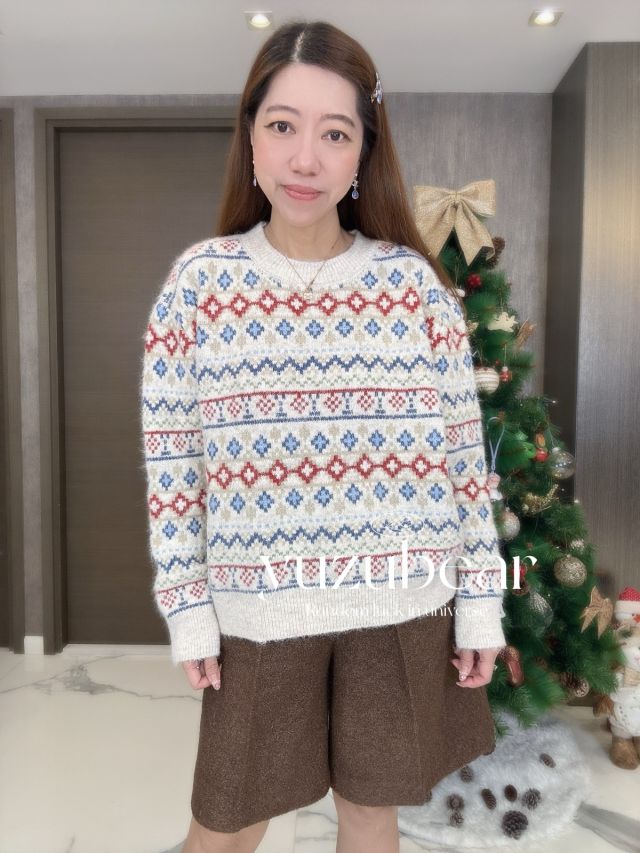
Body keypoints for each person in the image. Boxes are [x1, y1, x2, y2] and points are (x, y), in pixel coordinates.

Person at [140, 19, 507, 853]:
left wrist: (481, 602)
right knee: (226, 824)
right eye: (283, 125)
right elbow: (174, 468)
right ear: (251, 137)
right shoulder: (200, 286)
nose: (305, 158)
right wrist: (189, 607)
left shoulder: (414, 289)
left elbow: (463, 461)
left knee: (372, 817)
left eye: (335, 133)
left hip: (403, 605)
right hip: (257, 611)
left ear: (364, 151)